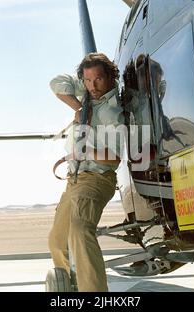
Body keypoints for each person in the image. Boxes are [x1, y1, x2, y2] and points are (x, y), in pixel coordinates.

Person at [48, 53, 124, 292]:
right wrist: (79, 107)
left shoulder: (113, 112)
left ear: (111, 77)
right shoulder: (88, 98)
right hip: (75, 180)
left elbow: (114, 157)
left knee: (80, 232)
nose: (93, 86)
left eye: (99, 79)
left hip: (96, 179)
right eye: (88, 81)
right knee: (58, 242)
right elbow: (56, 83)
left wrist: (86, 151)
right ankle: (71, 289)